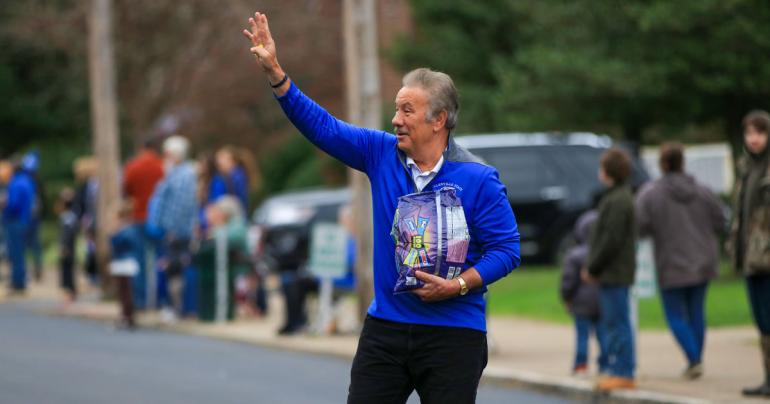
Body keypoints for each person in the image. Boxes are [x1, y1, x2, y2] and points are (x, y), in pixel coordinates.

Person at [243, 12, 520, 403]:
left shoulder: (479, 178)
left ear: (439, 119)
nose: (395, 120)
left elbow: (507, 251)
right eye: (396, 108)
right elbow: (322, 127)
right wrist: (276, 73)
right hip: (386, 329)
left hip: (454, 334)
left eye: (407, 111)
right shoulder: (380, 153)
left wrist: (458, 284)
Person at [635, 142, 725, 380]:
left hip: (670, 262)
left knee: (675, 315)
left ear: (663, 164)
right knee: (696, 312)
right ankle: (696, 358)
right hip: (704, 259)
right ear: (683, 162)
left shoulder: (650, 193)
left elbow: (639, 226)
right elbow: (721, 220)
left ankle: (694, 358)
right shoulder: (703, 191)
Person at [582, 148, 636, 391]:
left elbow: (610, 240)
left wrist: (593, 267)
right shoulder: (616, 197)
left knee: (617, 324)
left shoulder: (618, 200)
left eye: (602, 167)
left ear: (609, 171)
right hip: (612, 272)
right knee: (614, 322)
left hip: (614, 272)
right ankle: (617, 369)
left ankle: (623, 371)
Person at [729, 110, 770, 397]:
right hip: (751, 258)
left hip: (767, 256)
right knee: (762, 321)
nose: (754, 139)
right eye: (749, 133)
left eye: (760, 132)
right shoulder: (746, 168)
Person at [147, 135, 198, 321]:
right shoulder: (175, 173)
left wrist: (172, 229)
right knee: (173, 269)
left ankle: (181, 308)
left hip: (176, 232)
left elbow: (181, 205)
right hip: (171, 230)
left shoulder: (183, 175)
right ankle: (178, 307)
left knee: (175, 269)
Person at [560, 210, 606, 377]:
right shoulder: (604, 254)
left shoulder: (575, 255)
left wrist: (566, 298)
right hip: (602, 302)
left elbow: (568, 280)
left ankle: (581, 366)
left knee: (582, 336)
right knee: (603, 335)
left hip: (581, 303)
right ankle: (605, 365)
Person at [122, 137, 165, 310]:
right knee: (160, 260)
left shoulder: (133, 166)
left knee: (139, 261)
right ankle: (160, 300)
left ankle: (141, 301)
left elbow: (126, 190)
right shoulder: (161, 166)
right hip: (158, 219)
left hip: (139, 216)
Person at [3, 160, 36, 293]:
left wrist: (4, 204)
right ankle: (20, 280)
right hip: (25, 220)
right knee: (21, 252)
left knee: (15, 252)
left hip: (14, 220)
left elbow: (13, 204)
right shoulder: (28, 181)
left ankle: (17, 282)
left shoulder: (15, 183)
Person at [109, 200, 143, 330]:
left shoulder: (128, 230)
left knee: (127, 291)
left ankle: (128, 316)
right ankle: (126, 315)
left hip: (126, 263)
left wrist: (113, 235)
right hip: (123, 263)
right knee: (123, 291)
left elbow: (119, 244)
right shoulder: (129, 230)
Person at [57, 187, 78, 303]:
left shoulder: (67, 217)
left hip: (68, 248)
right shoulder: (71, 216)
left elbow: (66, 234)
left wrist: (63, 246)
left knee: (67, 271)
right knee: (67, 270)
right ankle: (70, 291)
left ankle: (70, 291)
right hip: (70, 247)